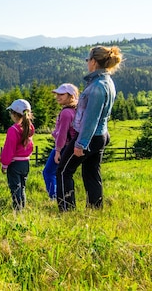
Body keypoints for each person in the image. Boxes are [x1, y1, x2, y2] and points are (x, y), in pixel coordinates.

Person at [56, 46, 123, 211]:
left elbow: (90, 118)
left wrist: (81, 143)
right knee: (91, 173)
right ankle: (95, 209)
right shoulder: (107, 82)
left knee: (64, 171)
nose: (87, 63)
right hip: (101, 135)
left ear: (93, 62)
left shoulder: (97, 86)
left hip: (89, 136)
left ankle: (67, 210)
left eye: (88, 60)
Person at [42, 83, 79, 199]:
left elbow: (62, 134)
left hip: (64, 146)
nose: (58, 97)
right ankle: (61, 196)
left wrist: (58, 151)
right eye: (57, 94)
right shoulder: (74, 110)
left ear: (71, 96)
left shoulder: (66, 113)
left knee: (48, 172)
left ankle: (54, 197)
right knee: (62, 173)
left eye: (62, 94)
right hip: (72, 145)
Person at [0, 99, 35, 211]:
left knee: (15, 188)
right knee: (22, 187)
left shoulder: (13, 130)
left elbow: (9, 149)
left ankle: (17, 210)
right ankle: (22, 208)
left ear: (14, 114)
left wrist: (5, 164)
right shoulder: (29, 128)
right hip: (26, 163)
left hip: (15, 164)